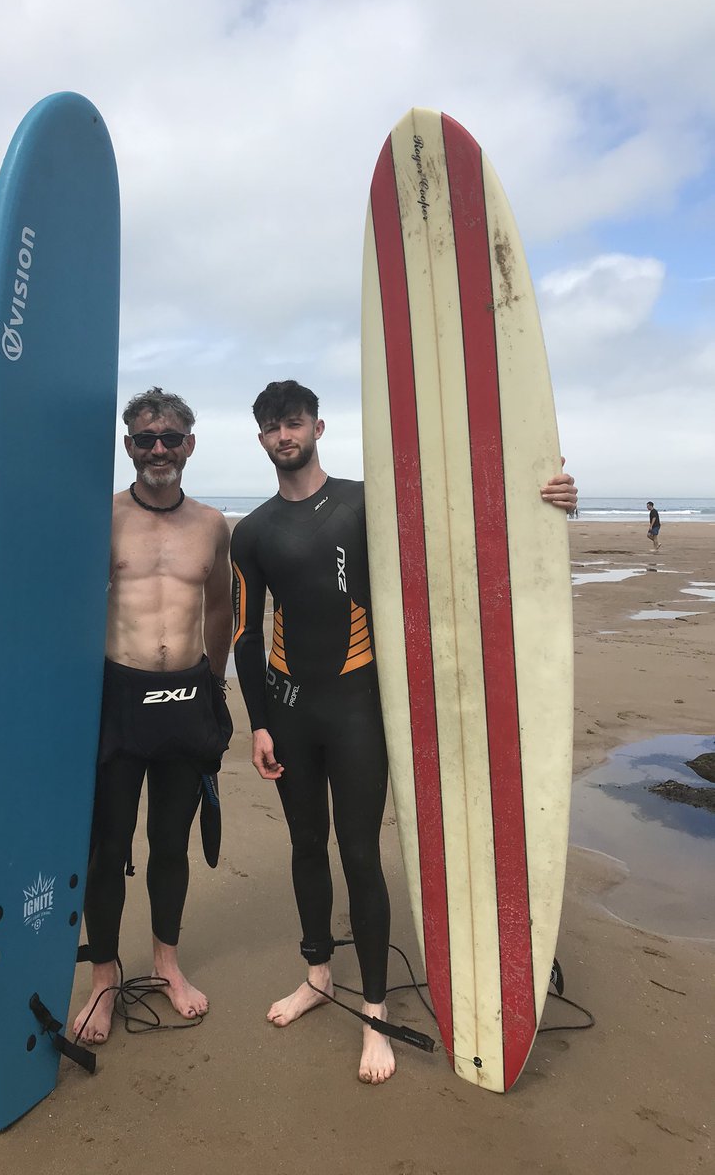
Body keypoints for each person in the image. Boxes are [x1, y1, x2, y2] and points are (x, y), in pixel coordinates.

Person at [229, 380, 577, 1085]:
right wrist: (259, 721)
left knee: (360, 852)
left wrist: (540, 497)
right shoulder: (253, 532)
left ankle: (376, 1010)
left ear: (318, 426)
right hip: (291, 711)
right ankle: (318, 976)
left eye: (293, 422)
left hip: (359, 709)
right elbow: (244, 632)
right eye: (271, 427)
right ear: (260, 438)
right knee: (306, 845)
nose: (283, 435)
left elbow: (456, 529)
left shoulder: (367, 504)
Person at [0, 388, 233, 1043]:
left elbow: (220, 607)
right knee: (106, 847)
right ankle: (104, 978)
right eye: (144, 438)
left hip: (186, 699)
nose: (157, 449)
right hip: (118, 698)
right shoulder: (99, 517)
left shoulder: (214, 525)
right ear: (127, 446)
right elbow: (29, 560)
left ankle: (166, 964)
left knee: (171, 844)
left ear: (189, 445)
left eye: (169, 438)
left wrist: (214, 685)